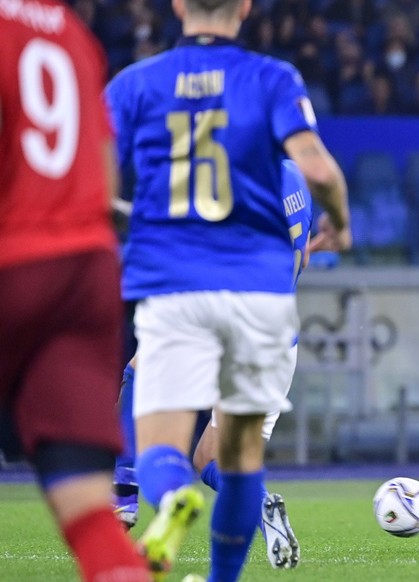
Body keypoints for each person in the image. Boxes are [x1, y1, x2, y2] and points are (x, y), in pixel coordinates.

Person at [104, 0, 351, 580]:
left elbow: (90, 188)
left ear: (178, 6)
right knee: (234, 463)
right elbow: (318, 173)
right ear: (244, 8)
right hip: (260, 303)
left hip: (179, 287)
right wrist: (339, 220)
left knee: (159, 444)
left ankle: (151, 496)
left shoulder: (135, 83)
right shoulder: (273, 84)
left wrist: (132, 217)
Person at [0, 2, 151, 580]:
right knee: (91, 514)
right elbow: (105, 176)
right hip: (85, 274)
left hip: (15, 261)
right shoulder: (73, 36)